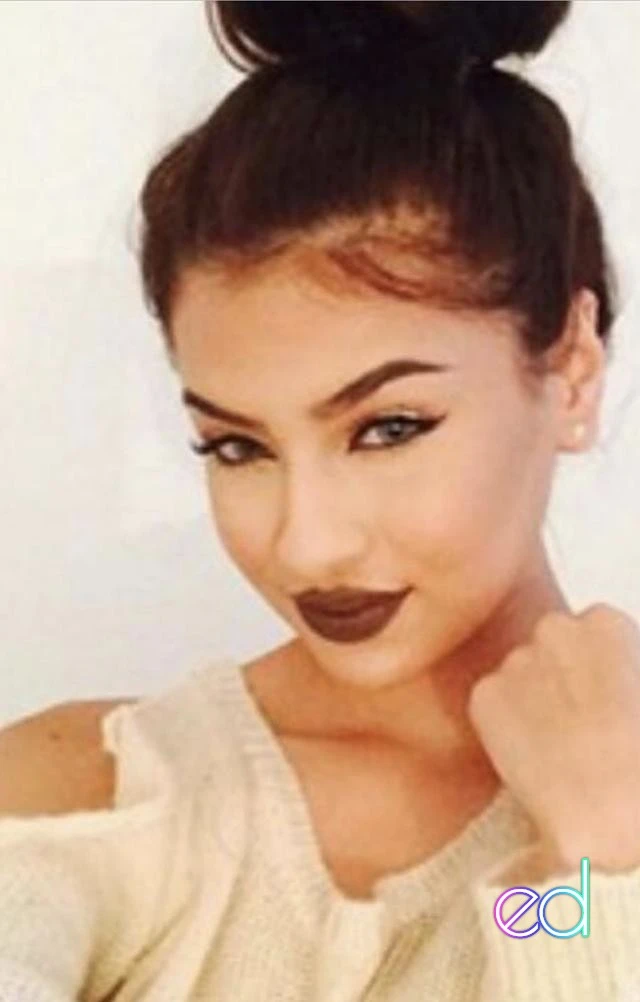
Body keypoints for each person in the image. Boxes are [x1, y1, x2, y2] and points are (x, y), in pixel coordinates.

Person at [1, 1, 640, 999]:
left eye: (387, 428)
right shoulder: (104, 795)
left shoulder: (592, 846)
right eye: (238, 446)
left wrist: (596, 862)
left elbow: (545, 923)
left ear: (571, 368)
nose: (306, 544)